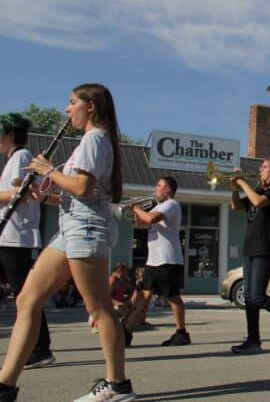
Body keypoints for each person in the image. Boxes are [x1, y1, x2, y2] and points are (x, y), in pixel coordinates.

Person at [0, 83, 136, 402]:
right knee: (27, 300)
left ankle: (118, 386)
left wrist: (48, 169)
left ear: (90, 106)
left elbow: (84, 188)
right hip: (71, 227)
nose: (66, 109)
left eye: (72, 102)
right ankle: (5, 385)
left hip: (86, 228)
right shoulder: (88, 142)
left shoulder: (95, 139)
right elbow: (74, 192)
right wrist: (41, 194)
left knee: (99, 307)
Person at [0, 113, 54, 370]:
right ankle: (38, 346)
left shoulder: (21, 157)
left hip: (17, 238)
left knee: (27, 295)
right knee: (25, 295)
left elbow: (19, 194)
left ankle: (41, 347)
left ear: (10, 134)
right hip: (7, 236)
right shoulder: (11, 160)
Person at [229, 158, 270, 353]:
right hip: (250, 246)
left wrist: (241, 182)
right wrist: (234, 187)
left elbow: (258, 203)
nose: (260, 170)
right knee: (249, 297)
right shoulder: (256, 190)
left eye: (265, 167)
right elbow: (235, 206)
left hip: (266, 247)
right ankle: (253, 340)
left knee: (257, 295)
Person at [123, 177, 189, 347]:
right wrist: (135, 213)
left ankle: (181, 332)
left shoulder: (171, 205)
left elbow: (151, 219)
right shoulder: (158, 206)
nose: (156, 188)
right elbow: (144, 223)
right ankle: (126, 332)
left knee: (173, 297)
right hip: (154, 260)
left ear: (168, 190)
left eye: (160, 186)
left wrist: (137, 207)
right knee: (144, 296)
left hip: (168, 259)